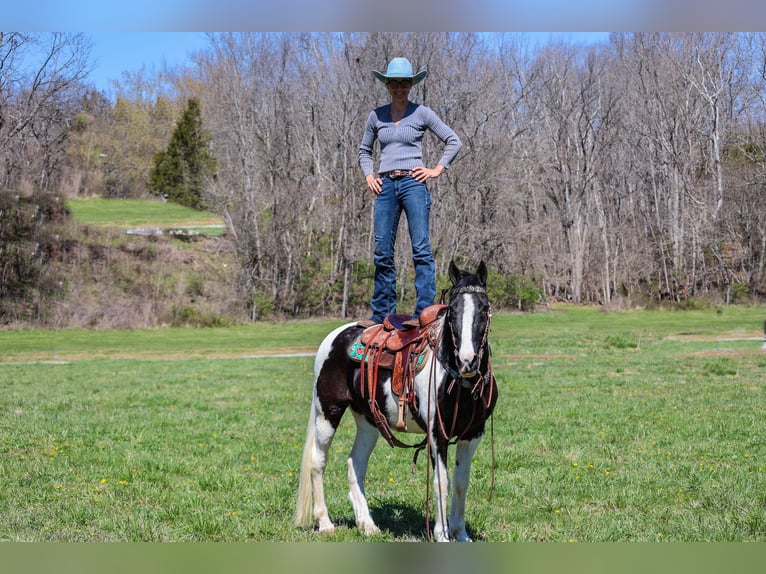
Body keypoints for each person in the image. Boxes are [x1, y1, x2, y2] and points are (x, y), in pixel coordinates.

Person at [358, 57, 462, 324]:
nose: (399, 87)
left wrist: (436, 169)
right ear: (387, 85)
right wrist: (370, 175)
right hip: (385, 186)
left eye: (404, 83)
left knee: (421, 250)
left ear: (411, 84)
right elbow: (364, 151)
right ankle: (382, 313)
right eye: (394, 83)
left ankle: (424, 312)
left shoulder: (421, 113)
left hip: (413, 185)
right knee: (382, 252)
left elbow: (453, 140)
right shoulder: (376, 116)